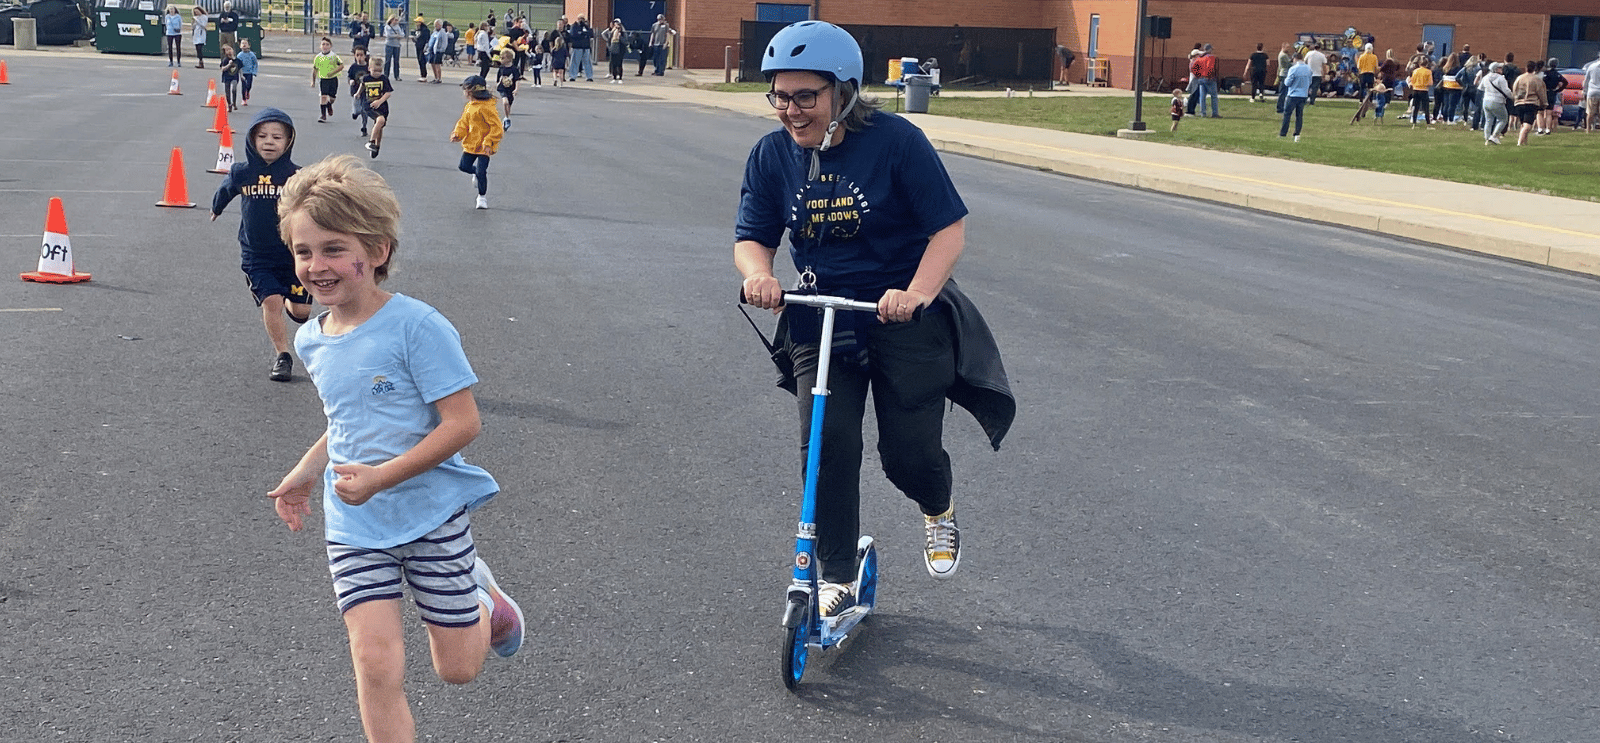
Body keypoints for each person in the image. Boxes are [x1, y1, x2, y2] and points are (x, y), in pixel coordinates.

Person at [735, 21, 1014, 617]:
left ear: (845, 93)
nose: (791, 110)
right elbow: (752, 236)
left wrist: (915, 292)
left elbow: (948, 228)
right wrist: (758, 273)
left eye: (806, 96)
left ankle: (937, 506)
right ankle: (836, 575)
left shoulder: (897, 143)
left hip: (901, 317)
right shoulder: (772, 154)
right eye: (780, 96)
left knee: (906, 454)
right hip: (821, 317)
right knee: (826, 448)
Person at [266, 154, 525, 743]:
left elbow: (462, 424)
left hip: (430, 515)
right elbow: (349, 422)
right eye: (304, 252)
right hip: (354, 525)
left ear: (377, 251)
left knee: (456, 669)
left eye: (334, 249)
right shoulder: (312, 339)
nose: (316, 266)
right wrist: (308, 470)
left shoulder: (418, 327)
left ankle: (490, 604)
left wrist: (383, 477)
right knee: (374, 665)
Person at [209, 108, 309, 382]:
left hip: (292, 254)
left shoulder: (295, 175)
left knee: (301, 312)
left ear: (288, 142)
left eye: (277, 137)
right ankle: (282, 356)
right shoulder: (242, 171)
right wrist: (216, 207)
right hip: (256, 255)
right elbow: (226, 188)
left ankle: (291, 300)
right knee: (271, 300)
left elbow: (314, 202)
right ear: (252, 140)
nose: (269, 142)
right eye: (262, 136)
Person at [452, 76, 504, 210]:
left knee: (482, 171)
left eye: (465, 89)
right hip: (471, 143)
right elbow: (463, 122)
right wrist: (458, 134)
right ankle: (475, 173)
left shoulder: (487, 107)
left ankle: (482, 197)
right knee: (463, 166)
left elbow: (497, 127)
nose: (464, 92)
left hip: (484, 146)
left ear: (471, 91)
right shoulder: (469, 106)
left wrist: (489, 142)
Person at [359, 55, 393, 158]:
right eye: (375, 71)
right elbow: (363, 85)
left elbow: (388, 93)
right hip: (369, 104)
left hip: (381, 105)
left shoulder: (384, 79)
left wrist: (380, 101)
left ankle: (377, 146)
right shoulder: (366, 78)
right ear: (369, 69)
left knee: (380, 126)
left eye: (379, 71)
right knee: (380, 120)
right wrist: (357, 93)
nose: (377, 73)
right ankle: (371, 142)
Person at [1511, 59, 1547, 145]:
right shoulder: (1537, 80)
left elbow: (1514, 90)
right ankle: (1519, 142)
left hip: (1519, 103)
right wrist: (1544, 103)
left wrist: (1515, 99)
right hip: (1531, 103)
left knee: (1523, 124)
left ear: (1526, 68)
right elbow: (1541, 92)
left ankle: (1525, 142)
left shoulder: (1519, 78)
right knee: (1528, 125)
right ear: (1534, 69)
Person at [1478, 61, 1513, 145]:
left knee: (1488, 120)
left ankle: (1487, 138)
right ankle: (1494, 136)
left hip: (1486, 100)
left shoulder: (1486, 77)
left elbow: (1481, 88)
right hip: (1497, 101)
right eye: (1500, 68)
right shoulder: (1501, 78)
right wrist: (1513, 97)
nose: (1501, 69)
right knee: (1503, 119)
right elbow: (1506, 91)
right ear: (1496, 69)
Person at [1278, 50, 1310, 141]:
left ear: (1295, 59)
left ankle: (1283, 133)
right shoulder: (1308, 68)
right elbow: (1310, 81)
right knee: (1299, 115)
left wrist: (1285, 81)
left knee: (1287, 114)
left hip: (1293, 94)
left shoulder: (1293, 68)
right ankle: (1297, 133)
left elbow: (1288, 83)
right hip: (1303, 94)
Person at [311, 37, 344, 123]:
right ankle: (323, 115)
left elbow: (341, 66)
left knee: (332, 97)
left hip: (333, 79)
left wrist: (333, 72)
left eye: (327, 44)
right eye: (323, 44)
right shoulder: (318, 57)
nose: (325, 46)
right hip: (323, 79)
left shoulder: (334, 56)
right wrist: (313, 81)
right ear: (320, 46)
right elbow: (315, 70)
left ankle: (329, 104)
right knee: (323, 96)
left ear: (330, 46)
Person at [346, 46, 370, 137]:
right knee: (357, 109)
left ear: (365, 56)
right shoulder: (353, 66)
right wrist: (350, 81)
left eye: (361, 55)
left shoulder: (368, 66)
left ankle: (364, 127)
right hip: (355, 91)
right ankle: (355, 113)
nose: (359, 57)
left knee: (365, 110)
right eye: (357, 55)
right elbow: (349, 76)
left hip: (366, 92)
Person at [1540, 58, 1568, 135]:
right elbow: (1565, 82)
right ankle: (1548, 129)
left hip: (1544, 92)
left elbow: (1541, 81)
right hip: (1553, 93)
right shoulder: (1557, 74)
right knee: (1549, 113)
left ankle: (1540, 128)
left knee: (1541, 112)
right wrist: (1559, 90)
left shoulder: (1545, 73)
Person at [494, 48, 518, 130]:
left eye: (503, 58)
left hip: (510, 89)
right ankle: (507, 119)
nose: (501, 60)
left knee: (509, 105)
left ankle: (506, 119)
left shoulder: (514, 69)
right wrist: (497, 83)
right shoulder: (501, 68)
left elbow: (517, 80)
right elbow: (499, 77)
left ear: (508, 59)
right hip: (502, 88)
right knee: (505, 102)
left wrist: (516, 89)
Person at [566, 14, 594, 82]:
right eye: (580, 18)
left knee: (587, 62)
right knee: (575, 62)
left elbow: (591, 34)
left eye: (583, 18)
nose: (582, 20)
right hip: (577, 47)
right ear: (578, 18)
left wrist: (583, 32)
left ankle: (589, 76)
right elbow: (574, 35)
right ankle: (572, 76)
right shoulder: (574, 26)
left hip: (586, 47)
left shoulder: (586, 26)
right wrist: (583, 34)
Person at [1407, 57, 1434, 126]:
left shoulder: (1415, 71)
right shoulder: (1428, 72)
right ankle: (1428, 122)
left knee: (1416, 107)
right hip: (1424, 90)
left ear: (1419, 64)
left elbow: (1412, 81)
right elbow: (1430, 83)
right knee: (1426, 107)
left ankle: (1414, 121)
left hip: (1415, 89)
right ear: (1427, 64)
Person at [602, 19, 627, 83]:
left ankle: (620, 77)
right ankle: (614, 77)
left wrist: (620, 36)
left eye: (617, 26)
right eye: (615, 25)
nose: (616, 27)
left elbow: (625, 41)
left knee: (619, 64)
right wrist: (609, 47)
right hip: (613, 48)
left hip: (620, 49)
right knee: (613, 64)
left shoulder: (622, 33)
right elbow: (609, 39)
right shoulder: (612, 32)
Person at [219, 43, 241, 111]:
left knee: (234, 89)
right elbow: (222, 69)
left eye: (230, 49)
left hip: (234, 77)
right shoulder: (225, 60)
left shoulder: (237, 60)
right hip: (227, 78)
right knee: (227, 92)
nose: (229, 51)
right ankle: (229, 104)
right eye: (227, 50)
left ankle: (234, 103)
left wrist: (242, 76)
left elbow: (240, 68)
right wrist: (229, 65)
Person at [381, 15, 404, 80]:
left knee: (396, 61)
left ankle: (397, 75)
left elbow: (402, 34)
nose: (396, 21)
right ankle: (386, 75)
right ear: (391, 20)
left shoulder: (398, 27)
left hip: (397, 45)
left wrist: (399, 36)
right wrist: (396, 36)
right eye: (395, 20)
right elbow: (388, 35)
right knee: (388, 60)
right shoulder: (387, 27)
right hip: (389, 45)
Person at [237, 38, 258, 105]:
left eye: (245, 43)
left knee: (249, 85)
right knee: (243, 86)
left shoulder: (252, 55)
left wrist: (254, 72)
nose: (244, 45)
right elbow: (237, 64)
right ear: (240, 46)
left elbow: (255, 63)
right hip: (242, 73)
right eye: (242, 43)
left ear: (249, 45)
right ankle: (244, 99)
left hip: (250, 72)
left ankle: (247, 92)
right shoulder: (239, 55)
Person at [1274, 42, 1293, 113]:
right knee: (1283, 92)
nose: (1288, 49)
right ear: (1283, 47)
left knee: (1285, 92)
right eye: (1287, 47)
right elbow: (1289, 64)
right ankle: (1280, 107)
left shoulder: (1284, 54)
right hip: (1284, 74)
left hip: (1284, 74)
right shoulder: (1283, 55)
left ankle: (1282, 106)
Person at [412, 15, 432, 82]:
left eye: (417, 22)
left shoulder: (425, 30)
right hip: (418, 47)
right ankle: (422, 75)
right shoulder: (418, 30)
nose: (416, 24)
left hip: (423, 48)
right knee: (419, 61)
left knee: (422, 61)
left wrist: (426, 48)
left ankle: (424, 75)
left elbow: (426, 39)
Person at [1584, 50, 1600, 133]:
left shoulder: (1591, 66)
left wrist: (1584, 92)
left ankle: (1588, 129)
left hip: (1592, 91)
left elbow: (1586, 80)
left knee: (1590, 112)